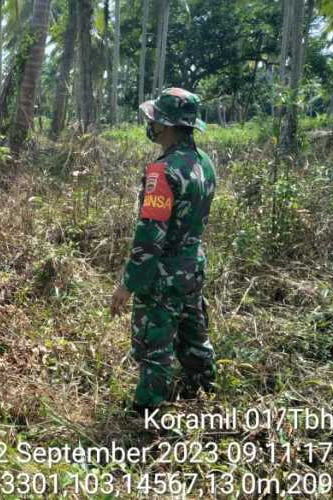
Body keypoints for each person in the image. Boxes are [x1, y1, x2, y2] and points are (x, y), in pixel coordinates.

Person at [109, 88, 217, 416]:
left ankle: (147, 410)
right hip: (192, 265)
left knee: (154, 344)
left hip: (164, 274)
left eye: (155, 120)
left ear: (168, 126)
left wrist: (128, 284)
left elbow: (149, 237)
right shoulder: (204, 164)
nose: (151, 125)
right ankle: (204, 388)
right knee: (193, 330)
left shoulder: (162, 172)